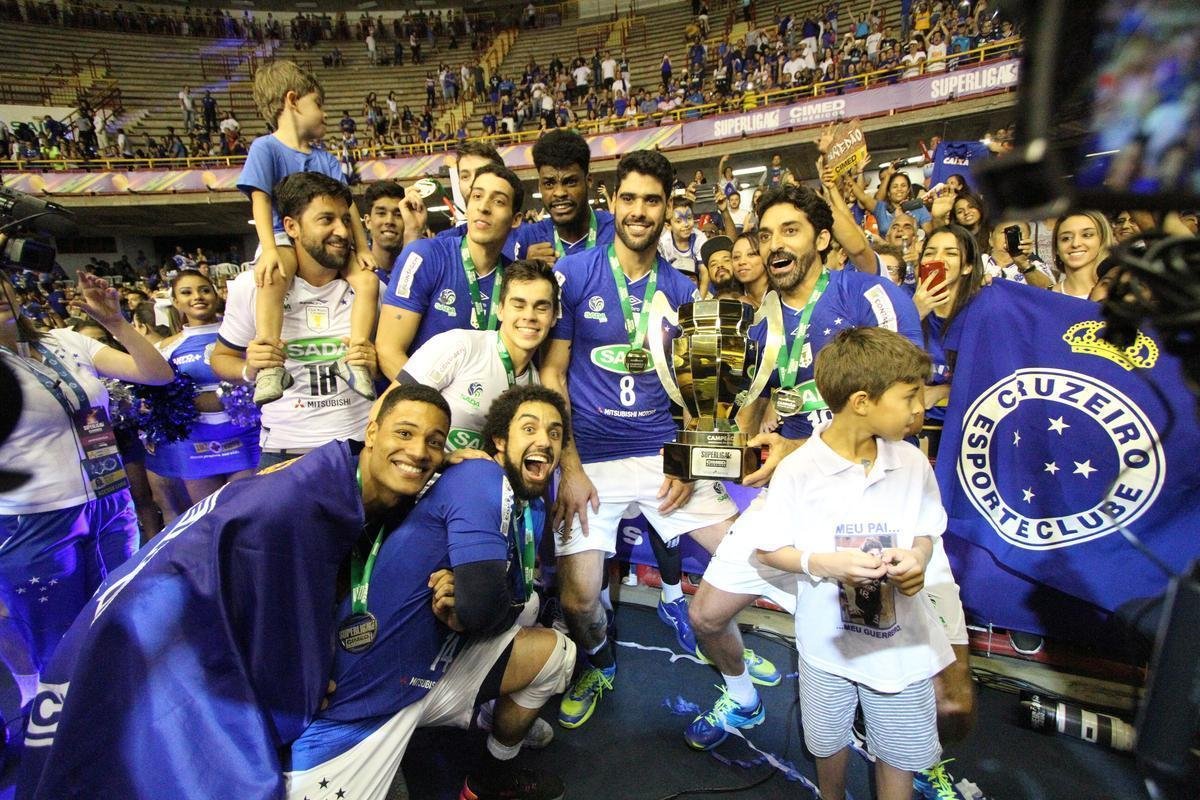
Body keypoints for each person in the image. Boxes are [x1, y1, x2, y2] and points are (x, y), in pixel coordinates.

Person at [17, 383, 453, 799]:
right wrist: (300, 684)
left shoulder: (336, 479)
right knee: (160, 754)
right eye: (404, 433)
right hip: (153, 616)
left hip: (159, 603)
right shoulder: (298, 502)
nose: (418, 451)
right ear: (371, 432)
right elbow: (272, 606)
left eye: (435, 442)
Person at [683, 184, 933, 750]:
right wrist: (727, 446)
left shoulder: (866, 294)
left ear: (822, 239)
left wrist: (798, 449)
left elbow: (908, 412)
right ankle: (744, 698)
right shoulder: (755, 325)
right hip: (792, 497)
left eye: (789, 230)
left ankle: (905, 750)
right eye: (765, 234)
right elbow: (751, 412)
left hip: (868, 503)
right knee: (706, 615)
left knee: (876, 652)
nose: (774, 245)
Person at [543, 150, 758, 730]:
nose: (639, 211)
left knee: (749, 554)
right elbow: (553, 375)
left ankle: (739, 681)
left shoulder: (687, 288)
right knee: (580, 600)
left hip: (665, 454)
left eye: (652, 201)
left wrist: (688, 463)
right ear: (612, 203)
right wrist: (572, 467)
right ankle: (598, 661)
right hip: (591, 460)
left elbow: (703, 394)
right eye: (629, 199)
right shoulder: (574, 275)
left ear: (668, 210)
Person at [284, 385, 573, 800]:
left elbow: (490, 604)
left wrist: (482, 600)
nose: (544, 440)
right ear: (498, 440)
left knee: (555, 652)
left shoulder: (534, 508)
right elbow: (476, 610)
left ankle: (488, 779)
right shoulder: (480, 476)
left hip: (430, 672)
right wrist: (478, 603)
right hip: (361, 703)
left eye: (555, 432)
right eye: (529, 428)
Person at [754, 326, 953, 800]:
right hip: (827, 648)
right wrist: (825, 564)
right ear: (862, 401)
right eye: (908, 397)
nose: (918, 409)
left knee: (899, 757)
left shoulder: (912, 462)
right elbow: (768, 549)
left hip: (899, 650)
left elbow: (926, 530)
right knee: (827, 742)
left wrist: (917, 559)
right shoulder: (799, 470)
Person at [0, 270, 173, 676]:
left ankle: (124, 720)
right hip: (37, 518)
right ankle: (67, 728)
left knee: (122, 622)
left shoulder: (64, 341)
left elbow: (157, 374)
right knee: (59, 646)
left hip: (111, 504)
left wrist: (116, 323)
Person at [211, 171, 379, 469]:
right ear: (292, 227)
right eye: (326, 220)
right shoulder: (255, 285)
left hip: (359, 446)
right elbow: (221, 359)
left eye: (345, 220)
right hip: (284, 450)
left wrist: (373, 359)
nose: (341, 231)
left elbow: (387, 362)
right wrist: (250, 368)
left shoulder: (369, 287)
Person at [237, 60, 378, 406]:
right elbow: (260, 199)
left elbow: (350, 209)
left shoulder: (326, 158)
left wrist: (361, 246)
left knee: (369, 282)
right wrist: (268, 248)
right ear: (292, 101)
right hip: (281, 237)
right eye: (319, 104)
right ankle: (271, 365)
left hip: (328, 244)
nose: (326, 115)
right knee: (271, 277)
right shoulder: (265, 148)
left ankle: (356, 359)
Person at [375, 163, 524, 380]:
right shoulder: (424, 256)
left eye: (498, 201)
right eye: (477, 196)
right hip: (425, 405)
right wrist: (436, 408)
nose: (483, 207)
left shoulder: (514, 278)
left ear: (516, 219)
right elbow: (388, 350)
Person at [399, 259, 558, 451]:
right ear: (500, 309)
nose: (529, 316)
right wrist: (443, 460)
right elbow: (385, 414)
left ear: (554, 316)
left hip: (480, 478)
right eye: (518, 305)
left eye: (541, 308)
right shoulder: (460, 346)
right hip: (420, 473)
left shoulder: (535, 387)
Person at [142, 270, 260, 523]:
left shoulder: (244, 337)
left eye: (204, 290)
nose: (197, 297)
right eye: (186, 292)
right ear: (175, 302)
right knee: (207, 520)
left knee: (250, 516)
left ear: (216, 295)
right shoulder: (165, 348)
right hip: (194, 443)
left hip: (244, 437)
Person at [511, 129, 616, 265]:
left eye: (570, 182)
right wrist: (528, 272)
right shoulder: (529, 238)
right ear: (539, 187)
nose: (559, 193)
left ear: (588, 180)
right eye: (549, 183)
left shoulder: (616, 231)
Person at [362, 179, 428, 284]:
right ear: (368, 221)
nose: (389, 221)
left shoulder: (425, 267)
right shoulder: (356, 269)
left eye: (398, 215)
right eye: (381, 213)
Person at [1050, 211, 1112, 299]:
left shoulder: (1118, 296)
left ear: (1102, 240)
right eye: (1066, 238)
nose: (1075, 244)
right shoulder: (1042, 298)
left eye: (1087, 235)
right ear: (1056, 248)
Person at [657, 195, 709, 294]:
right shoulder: (664, 243)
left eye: (689, 218)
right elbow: (664, 276)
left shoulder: (699, 237)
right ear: (668, 226)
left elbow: (704, 273)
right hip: (673, 285)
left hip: (696, 285)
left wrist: (699, 302)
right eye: (678, 221)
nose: (685, 224)